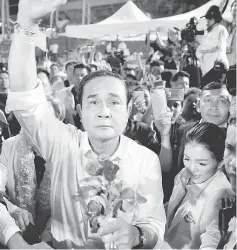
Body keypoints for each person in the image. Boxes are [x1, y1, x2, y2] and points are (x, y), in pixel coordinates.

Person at [6, 2, 166, 249]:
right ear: (79, 112)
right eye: (93, 102)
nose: (104, 111)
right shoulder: (64, 145)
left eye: (114, 102)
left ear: (128, 111)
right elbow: (25, 97)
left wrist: (137, 235)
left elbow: (154, 224)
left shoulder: (145, 160)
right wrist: (27, 22)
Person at [0, 95, 65, 245]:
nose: (36, 127)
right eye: (30, 120)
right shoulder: (9, 147)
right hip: (17, 232)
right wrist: (13, 210)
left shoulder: (70, 150)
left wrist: (48, 237)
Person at [164, 122, 232, 249]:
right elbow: (174, 207)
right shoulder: (184, 174)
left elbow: (212, 243)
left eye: (202, 163)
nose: (192, 168)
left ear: (221, 162)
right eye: (187, 158)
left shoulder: (222, 197)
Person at [176, 81, 231, 172]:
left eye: (221, 101)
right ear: (198, 106)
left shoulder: (233, 136)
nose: (213, 107)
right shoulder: (183, 131)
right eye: (208, 100)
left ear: (230, 107)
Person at [196, 5, 229, 78]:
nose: (207, 22)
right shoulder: (209, 32)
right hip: (208, 70)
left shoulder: (220, 29)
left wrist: (203, 50)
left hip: (216, 68)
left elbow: (219, 47)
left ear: (214, 19)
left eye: (209, 19)